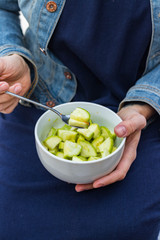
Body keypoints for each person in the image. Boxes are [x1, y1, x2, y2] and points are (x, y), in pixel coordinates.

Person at [0, 0, 160, 239]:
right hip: (38, 98)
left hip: (140, 118)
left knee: (124, 228)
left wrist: (145, 102)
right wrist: (13, 54)